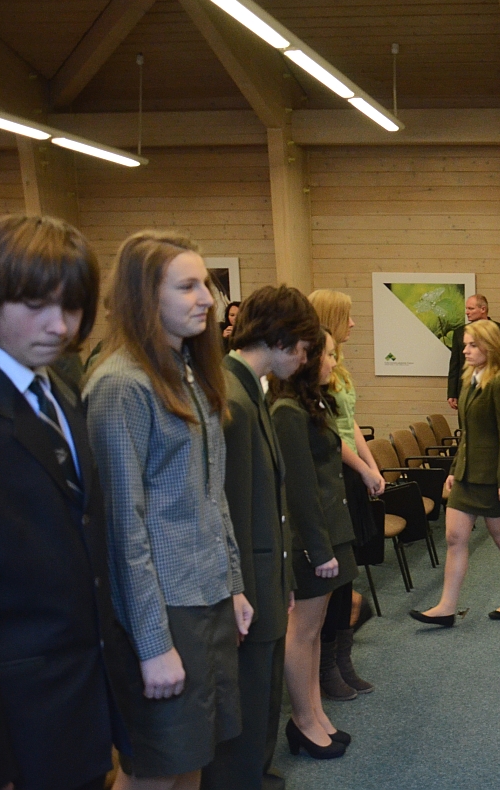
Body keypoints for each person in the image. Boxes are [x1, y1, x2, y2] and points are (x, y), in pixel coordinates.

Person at [84, 232, 254, 790]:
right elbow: (121, 530)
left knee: (193, 757)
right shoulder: (120, 385)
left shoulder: (189, 372)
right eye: (188, 287)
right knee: (155, 770)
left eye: (205, 284)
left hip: (206, 594)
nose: (206, 298)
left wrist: (233, 584)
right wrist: (153, 644)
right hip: (162, 605)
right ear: (143, 296)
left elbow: (211, 496)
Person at [0, 215, 132, 790]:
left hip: (79, 692)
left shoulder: (57, 390)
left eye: (71, 306)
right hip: (16, 711)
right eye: (35, 304)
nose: (59, 325)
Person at [203, 285, 321, 790]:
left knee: (264, 700)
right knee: (246, 707)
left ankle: (256, 776)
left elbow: (269, 503)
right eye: (304, 347)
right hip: (246, 586)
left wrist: (283, 577)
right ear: (281, 339)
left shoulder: (252, 391)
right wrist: (241, 589)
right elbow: (227, 512)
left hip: (266, 578)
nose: (306, 358)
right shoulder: (232, 399)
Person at [271, 329, 359, 759]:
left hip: (330, 527)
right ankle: (303, 720)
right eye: (327, 355)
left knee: (316, 629)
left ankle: (316, 712)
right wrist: (318, 548)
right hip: (312, 537)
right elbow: (300, 489)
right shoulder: (287, 411)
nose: (333, 362)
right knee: (301, 631)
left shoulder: (314, 403)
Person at [411, 319, 500, 625]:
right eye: (465, 345)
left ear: (491, 347)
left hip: (492, 477)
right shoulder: (470, 379)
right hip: (466, 473)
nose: (465, 351)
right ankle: (446, 607)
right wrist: (454, 468)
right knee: (454, 537)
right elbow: (467, 433)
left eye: (473, 345)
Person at [307, 289, 381, 701]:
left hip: (351, 469)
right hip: (334, 471)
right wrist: (362, 468)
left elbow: (350, 423)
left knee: (348, 570)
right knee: (336, 577)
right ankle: (327, 667)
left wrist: (371, 465)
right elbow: (331, 434)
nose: (353, 323)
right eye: (347, 317)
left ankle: (343, 662)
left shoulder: (339, 367)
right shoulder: (315, 373)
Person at [447, 294, 500, 411]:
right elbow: (455, 364)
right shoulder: (460, 332)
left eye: (471, 308)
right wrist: (452, 392)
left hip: (493, 387)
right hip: (466, 386)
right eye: (466, 308)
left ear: (483, 309)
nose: (467, 312)